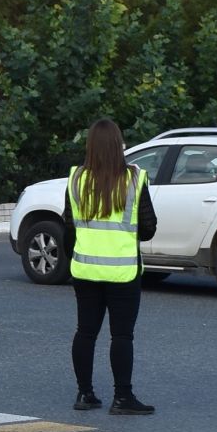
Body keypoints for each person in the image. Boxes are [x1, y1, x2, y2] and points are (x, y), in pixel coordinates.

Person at [67, 117, 156, 416]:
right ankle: (122, 398)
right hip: (123, 271)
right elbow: (148, 227)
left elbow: (69, 228)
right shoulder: (134, 178)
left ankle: (85, 393)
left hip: (85, 270)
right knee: (121, 336)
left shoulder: (76, 178)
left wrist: (77, 256)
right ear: (119, 146)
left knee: (85, 332)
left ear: (90, 146)